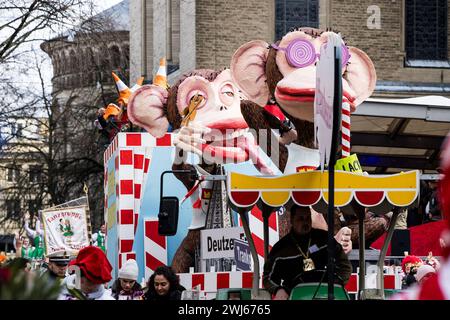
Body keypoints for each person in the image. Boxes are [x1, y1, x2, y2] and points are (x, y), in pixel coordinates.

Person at [263, 204, 352, 300]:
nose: (305, 222)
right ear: (292, 220)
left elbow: (345, 266)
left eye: (308, 218)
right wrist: (278, 290)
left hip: (326, 294)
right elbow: (268, 277)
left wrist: (337, 283)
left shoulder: (325, 239)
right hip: (295, 295)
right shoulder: (281, 248)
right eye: (301, 218)